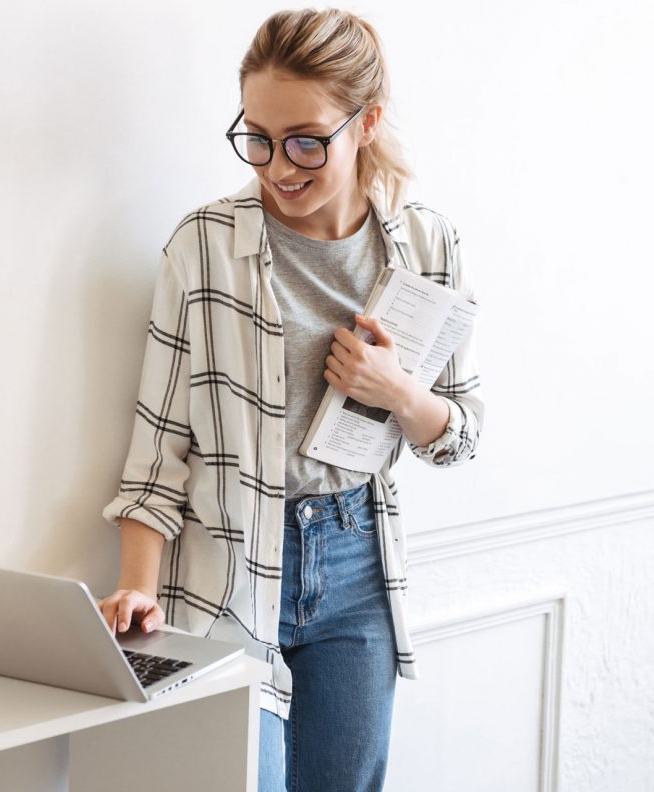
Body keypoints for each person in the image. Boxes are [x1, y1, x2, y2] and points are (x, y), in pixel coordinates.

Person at [98, 8, 485, 792]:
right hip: (230, 568)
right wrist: (137, 587)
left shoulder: (429, 246)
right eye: (260, 138)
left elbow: (460, 433)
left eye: (307, 139)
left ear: (367, 122)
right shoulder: (204, 246)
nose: (279, 166)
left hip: (357, 569)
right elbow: (157, 453)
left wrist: (398, 393)